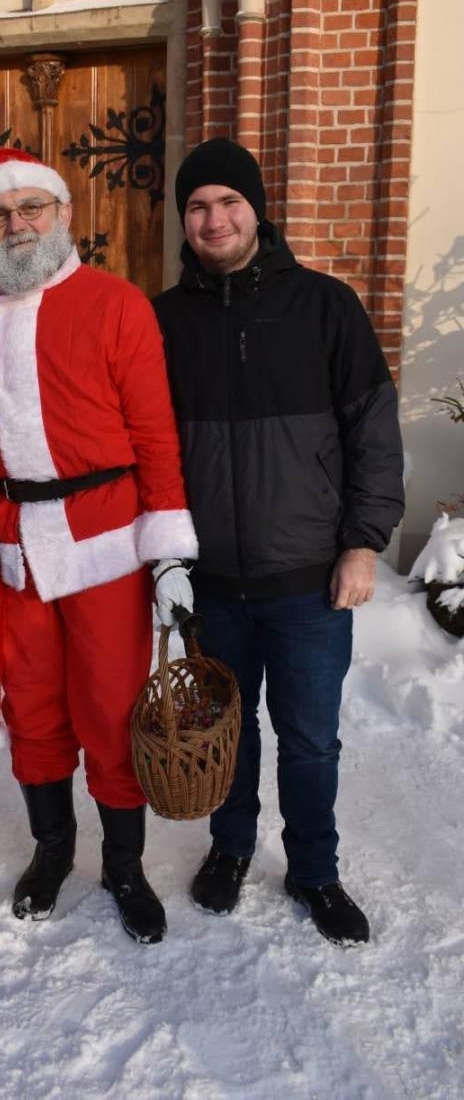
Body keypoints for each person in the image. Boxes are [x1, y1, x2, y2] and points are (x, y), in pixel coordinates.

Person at [153, 138, 405, 945]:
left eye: (228, 202)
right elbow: (142, 445)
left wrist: (363, 542)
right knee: (226, 729)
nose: (214, 219)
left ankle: (314, 869)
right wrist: (160, 556)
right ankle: (230, 850)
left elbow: (373, 434)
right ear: (183, 222)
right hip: (212, 580)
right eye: (197, 207)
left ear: (257, 208)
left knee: (308, 737)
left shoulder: (325, 307)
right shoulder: (163, 321)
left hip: (307, 579)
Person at [0, 148, 198, 944]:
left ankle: (122, 864)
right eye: (1, 214)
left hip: (105, 541)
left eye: (32, 209)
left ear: (64, 215)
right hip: (20, 545)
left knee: (112, 705)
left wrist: (167, 551)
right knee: (34, 704)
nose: (17, 225)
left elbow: (156, 434)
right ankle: (53, 850)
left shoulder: (115, 303)